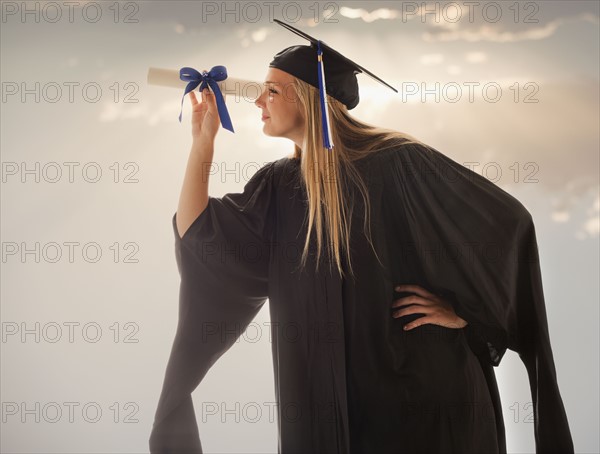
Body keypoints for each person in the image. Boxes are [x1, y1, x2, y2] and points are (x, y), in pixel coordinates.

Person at [149, 20, 574, 454]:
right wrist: (202, 146)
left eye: (273, 90)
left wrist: (464, 313)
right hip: (322, 404)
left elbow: (506, 227)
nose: (258, 100)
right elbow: (199, 236)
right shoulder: (280, 187)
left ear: (311, 98)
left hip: (422, 399)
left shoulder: (399, 162)